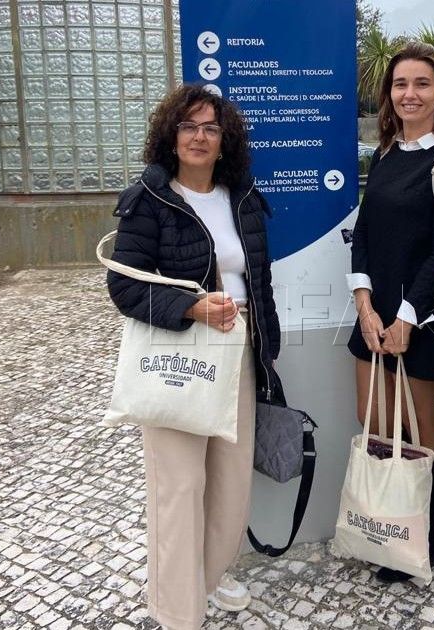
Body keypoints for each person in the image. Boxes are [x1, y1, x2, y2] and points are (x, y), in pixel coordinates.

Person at [105, 85, 280, 630]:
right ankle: (177, 611)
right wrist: (191, 307)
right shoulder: (148, 198)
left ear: (225, 141)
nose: (199, 137)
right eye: (189, 126)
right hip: (178, 353)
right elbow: (125, 287)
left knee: (230, 482)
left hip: (240, 350)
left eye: (210, 128)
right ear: (171, 136)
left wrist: (266, 350)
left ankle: (210, 574)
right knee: (179, 486)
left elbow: (259, 280)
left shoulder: (242, 197)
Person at [347, 41, 434, 583]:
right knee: (375, 420)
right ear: (389, 94)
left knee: (422, 432)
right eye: (401, 84)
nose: (410, 93)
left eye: (422, 83)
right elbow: (366, 237)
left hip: (420, 320)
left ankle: (426, 534)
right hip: (372, 315)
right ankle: (390, 524)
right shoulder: (382, 155)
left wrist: (405, 314)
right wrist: (363, 304)